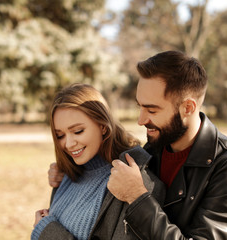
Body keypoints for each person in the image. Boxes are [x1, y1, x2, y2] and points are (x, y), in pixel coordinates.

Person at [49, 51, 227, 239]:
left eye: (151, 110)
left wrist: (138, 197)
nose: (141, 120)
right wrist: (69, 169)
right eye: (140, 107)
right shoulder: (150, 151)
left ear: (188, 107)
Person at [31, 83, 165, 240]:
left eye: (78, 131)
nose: (68, 144)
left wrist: (46, 231)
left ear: (102, 125)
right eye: (60, 135)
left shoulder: (134, 179)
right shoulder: (69, 172)